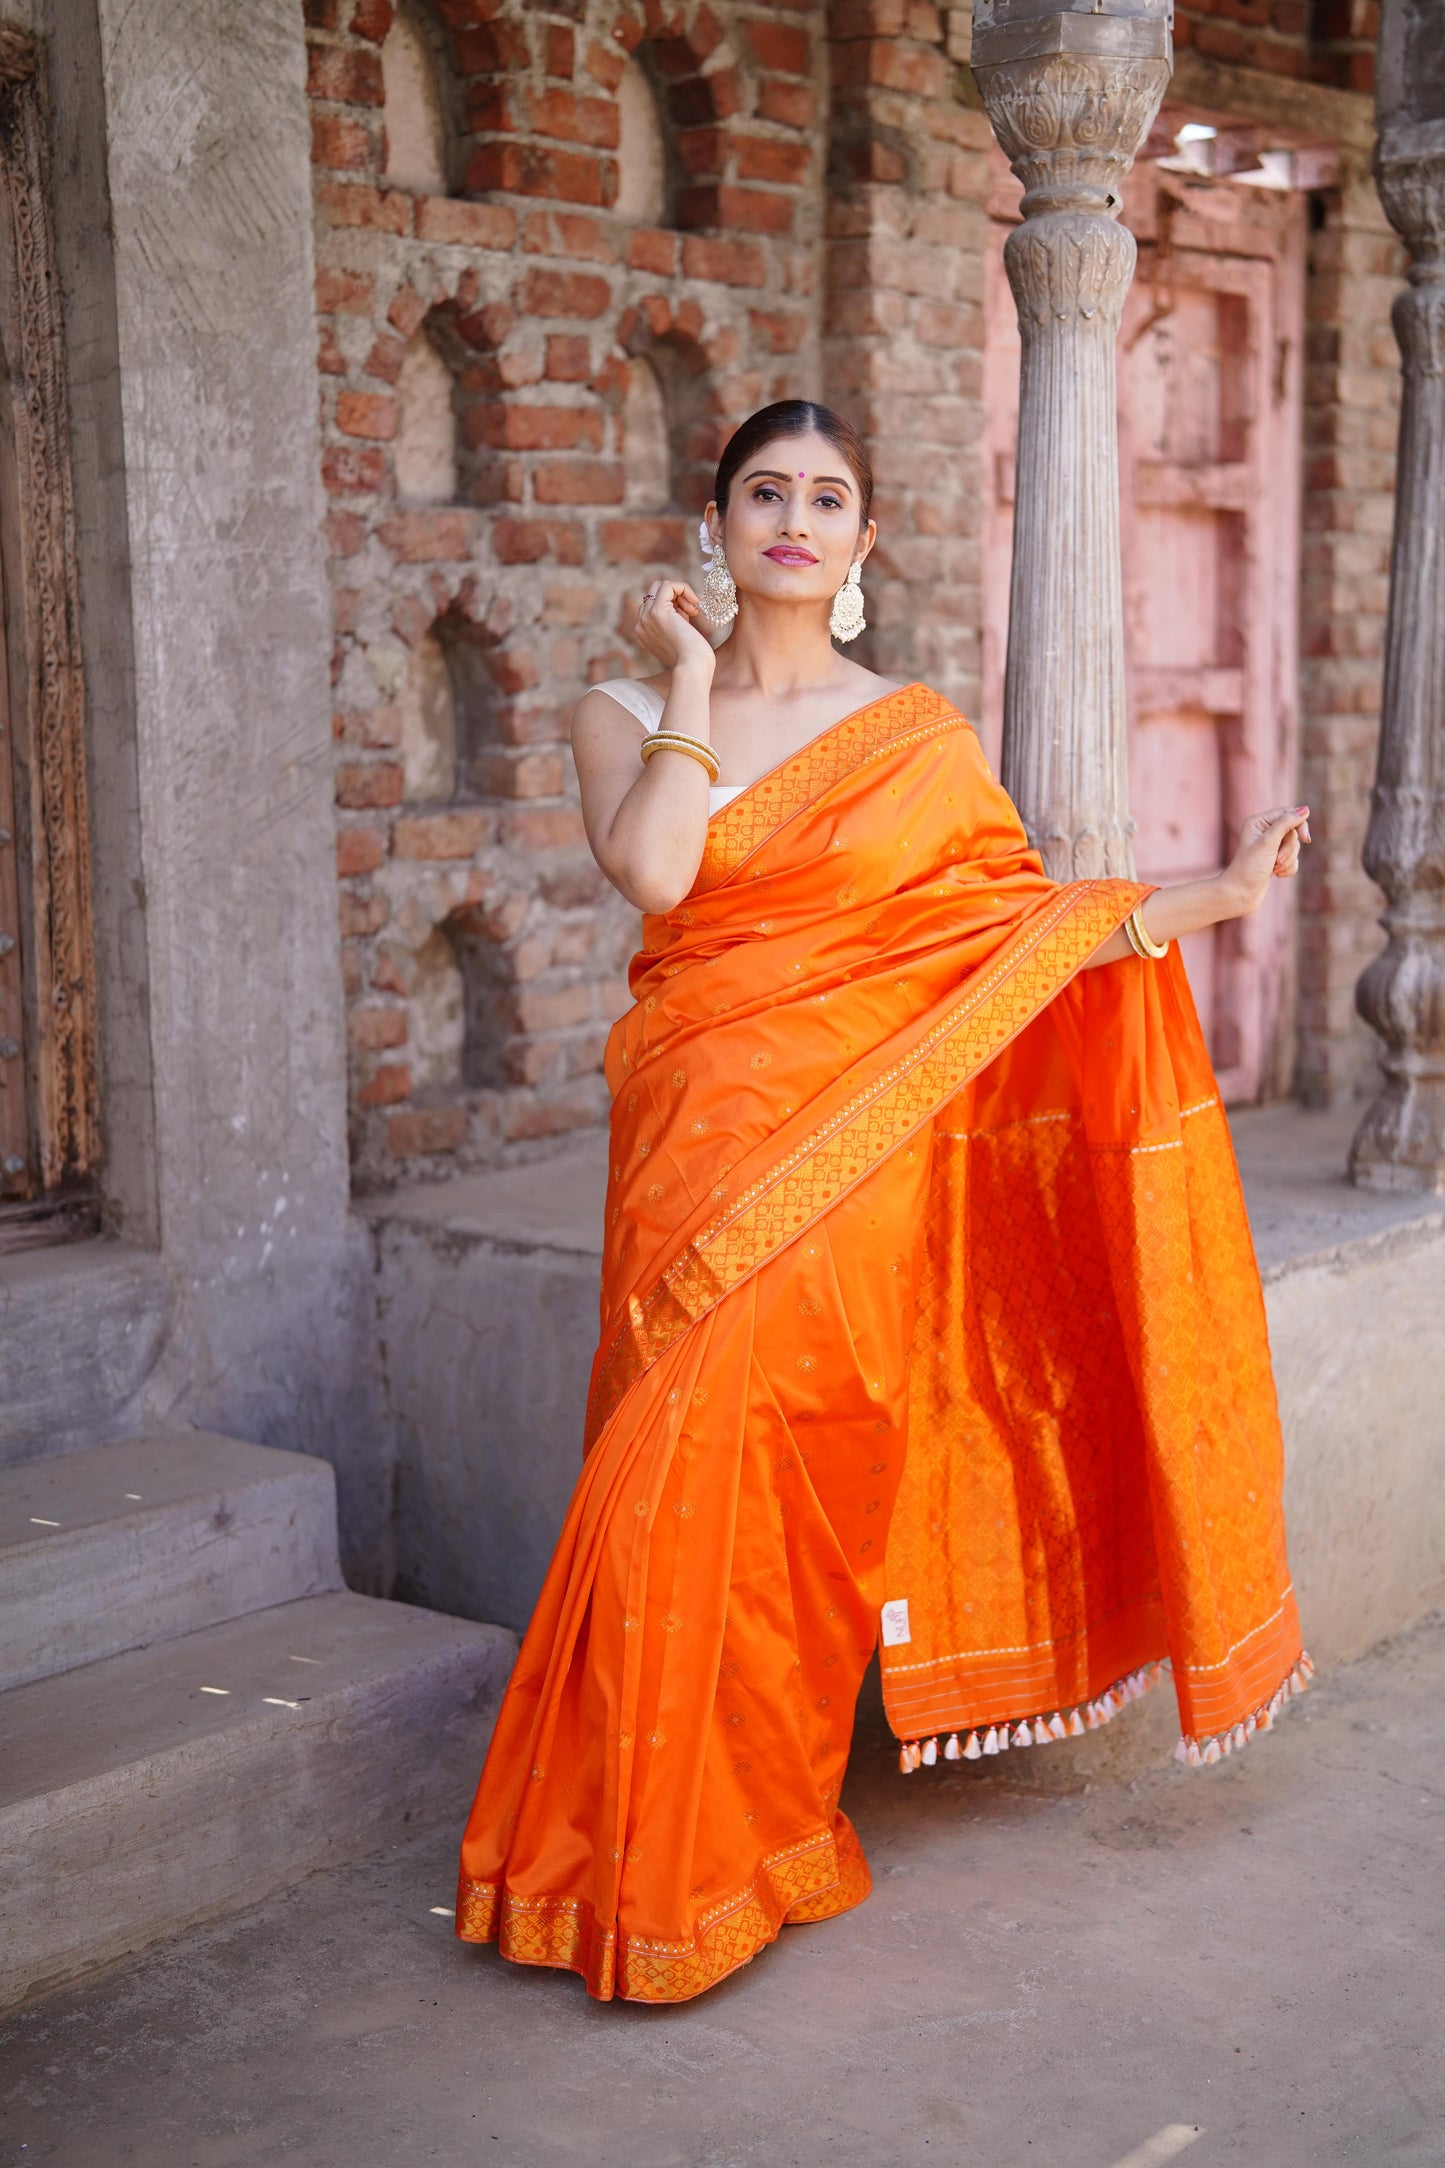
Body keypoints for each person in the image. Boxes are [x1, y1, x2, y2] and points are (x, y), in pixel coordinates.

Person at [455, 400, 1311, 2004]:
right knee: (659, 1489)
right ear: (716, 522)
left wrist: (1204, 898)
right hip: (693, 1151)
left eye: (826, 498)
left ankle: (761, 1834)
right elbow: (655, 874)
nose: (793, 519)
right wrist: (690, 677)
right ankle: (634, 1866)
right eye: (763, 492)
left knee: (799, 1496)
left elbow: (1003, 940)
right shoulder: (621, 706)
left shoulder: (912, 736)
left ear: (863, 541)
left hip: (850, 1176)